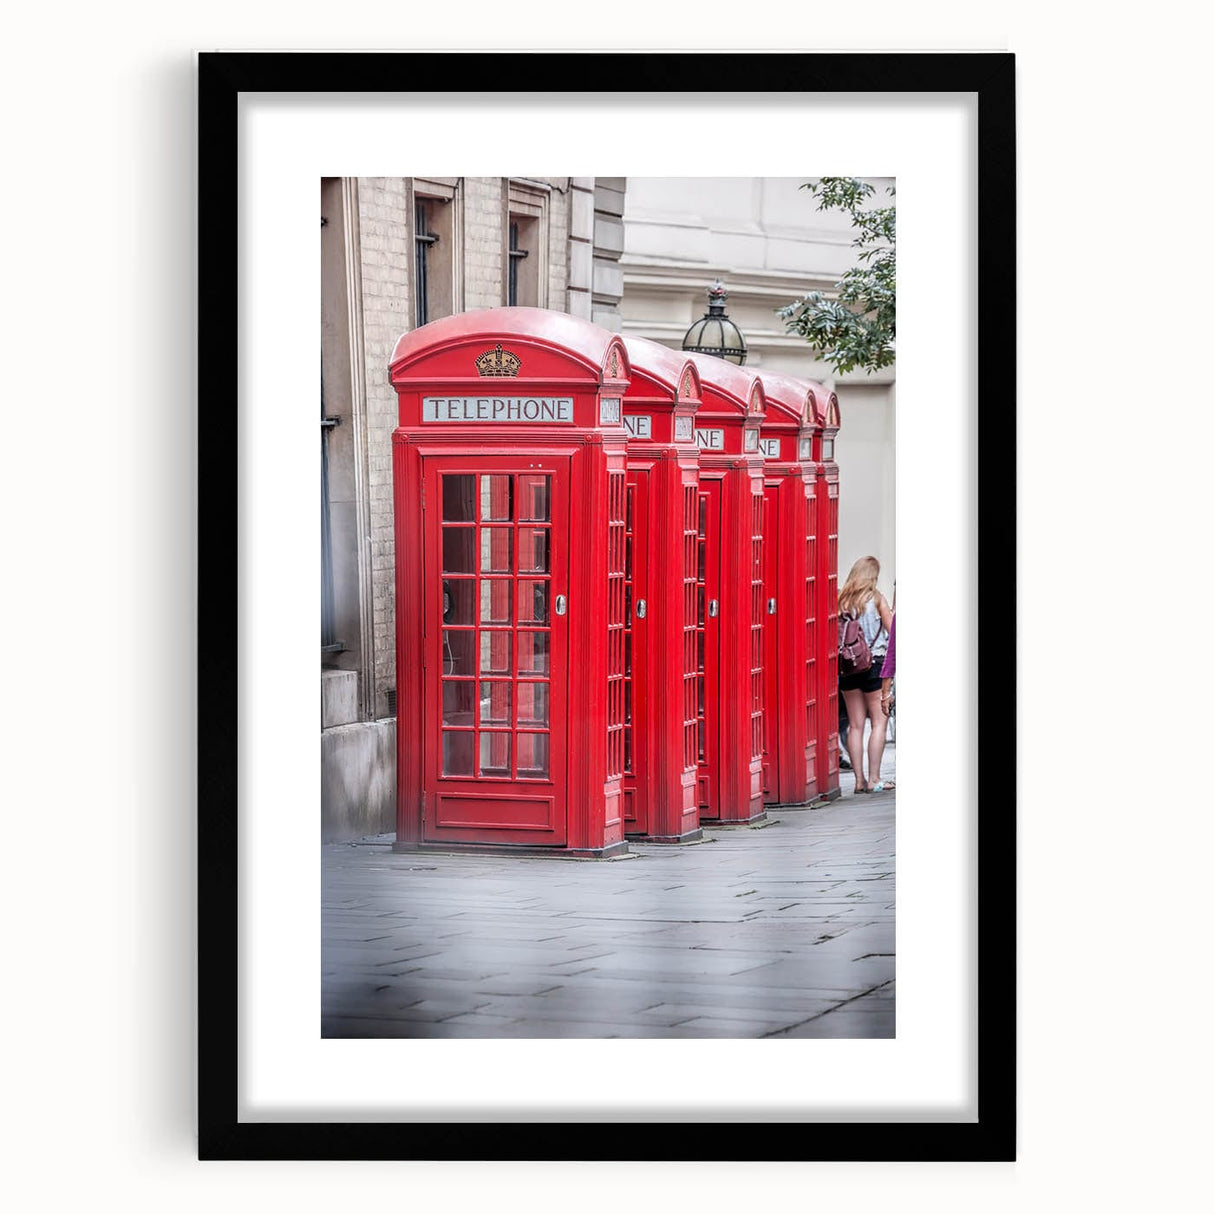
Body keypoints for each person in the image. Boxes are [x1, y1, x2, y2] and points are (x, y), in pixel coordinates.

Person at [838, 556, 894, 794]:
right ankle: (874, 779)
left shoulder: (841, 601)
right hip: (874, 665)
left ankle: (859, 781)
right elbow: (894, 632)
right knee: (879, 722)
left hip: (848, 667)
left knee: (855, 725)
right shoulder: (877, 599)